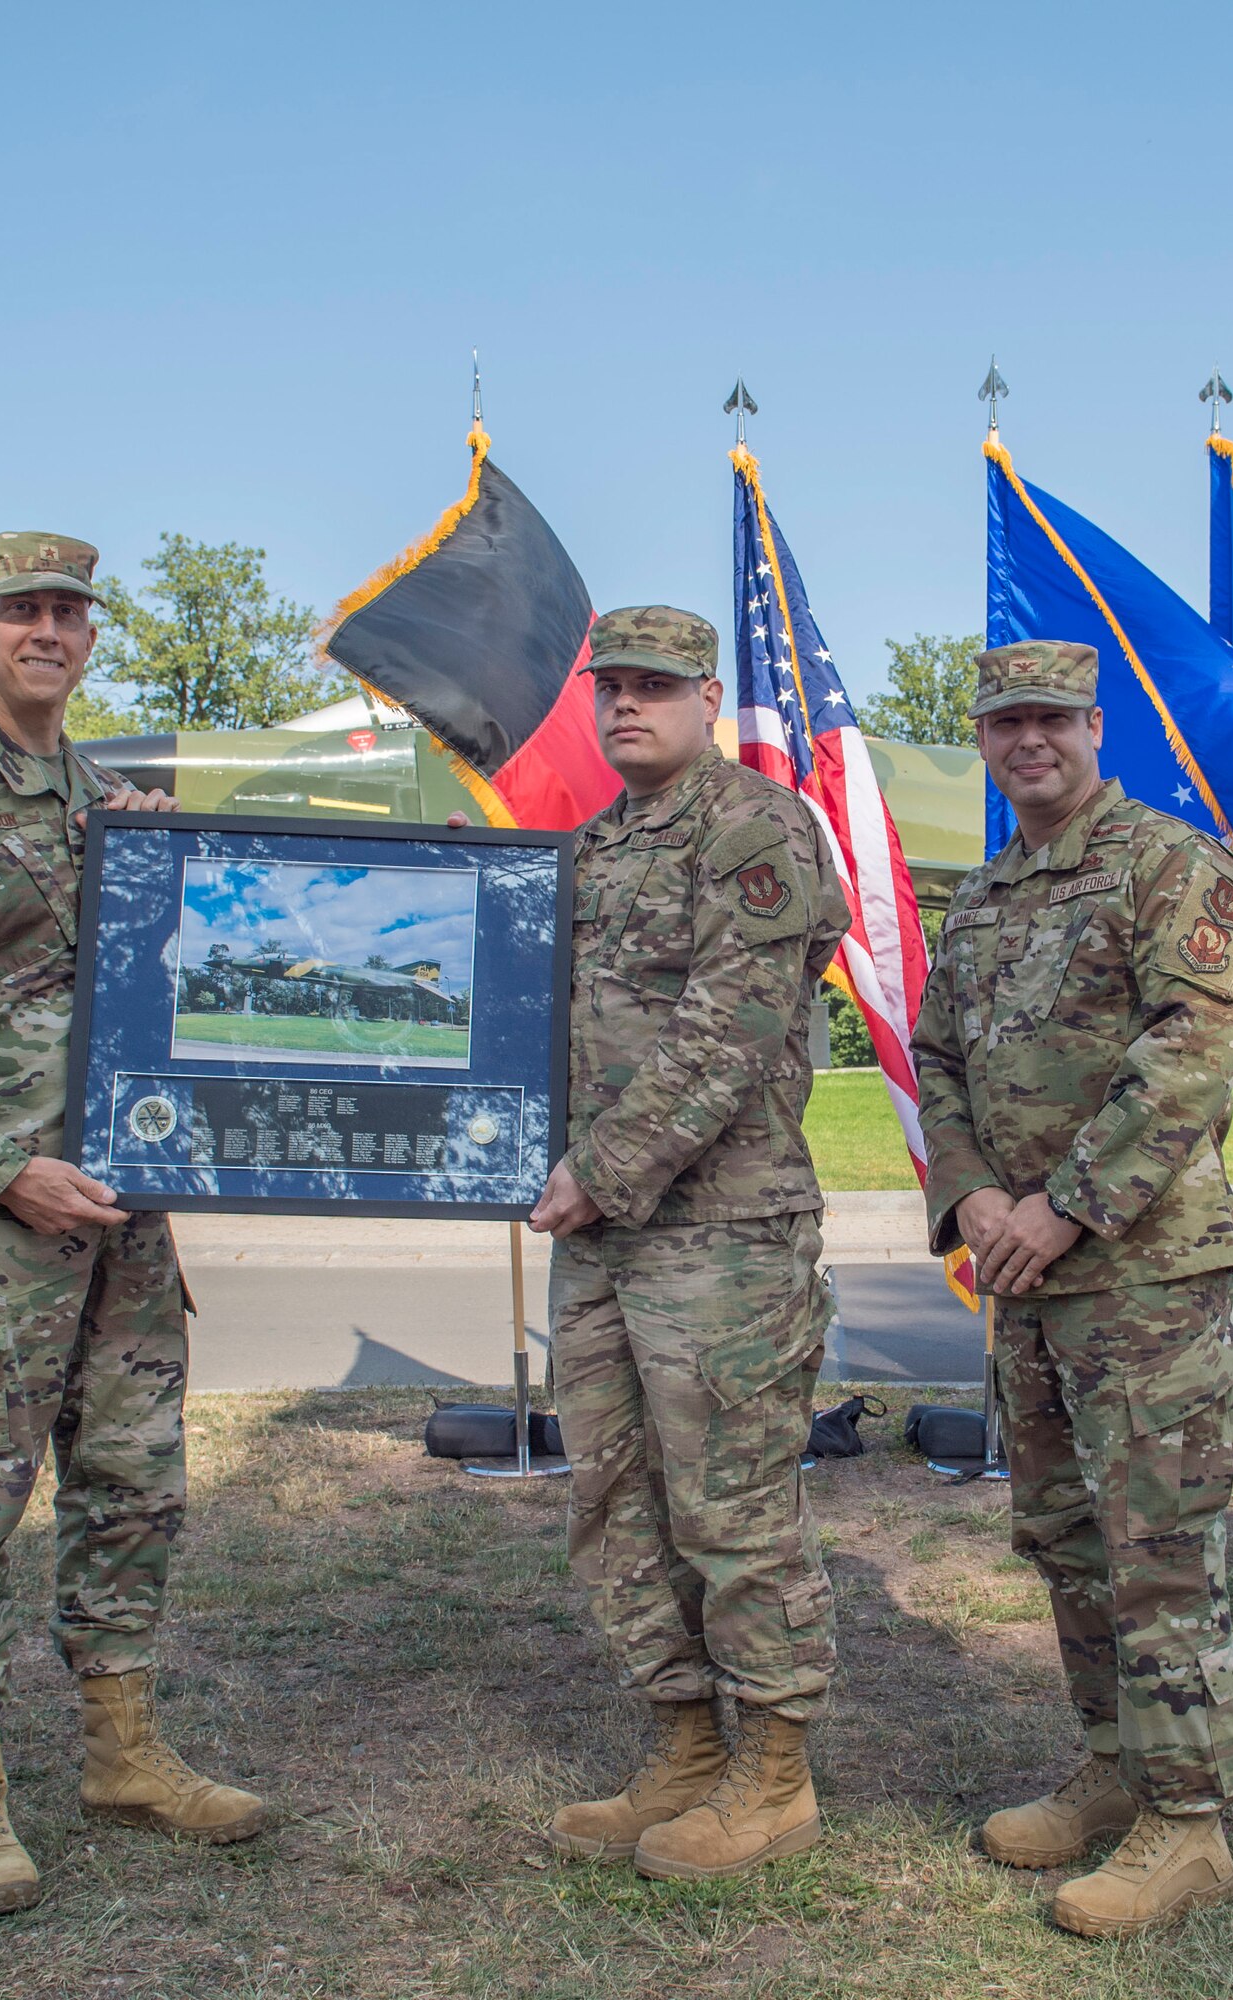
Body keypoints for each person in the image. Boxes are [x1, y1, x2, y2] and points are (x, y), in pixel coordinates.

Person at [0, 533, 265, 1918]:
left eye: (66, 611)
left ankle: (121, 1751)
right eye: (19, 612)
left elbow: (233, 954)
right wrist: (5, 1171)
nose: (45, 630)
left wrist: (453, 887)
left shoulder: (123, 810)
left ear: (90, 633)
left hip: (123, 1217)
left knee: (130, 1485)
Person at [912, 639, 1233, 1939]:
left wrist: (1061, 1205)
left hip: (1145, 1279)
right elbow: (937, 1057)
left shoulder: (1168, 864)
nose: (1025, 740)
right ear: (984, 741)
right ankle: (1111, 1769)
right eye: (1003, 723)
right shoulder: (985, 897)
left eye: (1048, 718)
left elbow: (1198, 1046)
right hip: (1024, 1280)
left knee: (1161, 1553)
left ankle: (1190, 1822)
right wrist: (977, 1198)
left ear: (1095, 725)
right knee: (1064, 1542)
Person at [530, 605, 851, 1881]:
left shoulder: (752, 827)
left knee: (731, 1502)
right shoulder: (594, 848)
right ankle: (677, 1741)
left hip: (719, 1232)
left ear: (706, 696)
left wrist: (596, 1172)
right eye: (609, 686)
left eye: (653, 687)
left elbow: (730, 1028)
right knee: (615, 1495)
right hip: (601, 1236)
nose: (625, 707)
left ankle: (772, 1774)